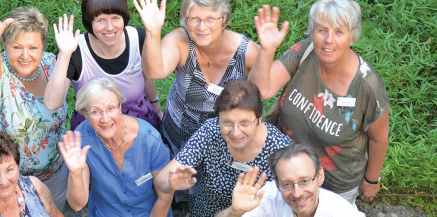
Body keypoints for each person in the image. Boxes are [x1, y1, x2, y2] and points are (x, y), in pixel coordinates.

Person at [249, 0, 389, 203]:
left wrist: (372, 180)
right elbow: (260, 91)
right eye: (322, 30)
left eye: (339, 32)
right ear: (312, 31)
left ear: (352, 37)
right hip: (289, 175)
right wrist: (267, 49)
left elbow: (379, 139)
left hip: (335, 187)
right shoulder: (304, 53)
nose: (328, 40)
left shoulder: (367, 87)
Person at [0, 0, 69, 210]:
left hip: (55, 175)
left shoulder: (52, 64)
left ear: (43, 46)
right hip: (5, 183)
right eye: (17, 47)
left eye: (33, 47)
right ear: (5, 46)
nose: (25, 56)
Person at [134, 0, 261, 156]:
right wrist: (153, 32)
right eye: (194, 19)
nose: (202, 27)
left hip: (223, 138)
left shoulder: (247, 53)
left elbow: (262, 95)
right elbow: (154, 72)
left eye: (210, 19)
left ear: (225, 21)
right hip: (177, 133)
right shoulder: (180, 40)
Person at [154, 79, 291, 217]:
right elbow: (161, 180)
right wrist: (169, 183)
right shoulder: (210, 131)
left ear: (259, 118)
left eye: (244, 123)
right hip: (206, 212)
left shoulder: (280, 150)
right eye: (227, 122)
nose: (235, 132)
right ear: (218, 117)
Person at [58, 77, 173, 216]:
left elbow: (165, 195)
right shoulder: (81, 141)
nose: (105, 119)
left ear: (120, 107)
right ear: (85, 115)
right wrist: (75, 174)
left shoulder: (149, 139)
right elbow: (77, 205)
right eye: (95, 111)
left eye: (111, 108)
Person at [45, 0, 162, 131]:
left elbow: (147, 77)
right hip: (93, 131)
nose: (110, 27)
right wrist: (64, 54)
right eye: (101, 20)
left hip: (140, 126)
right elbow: (52, 103)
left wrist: (156, 107)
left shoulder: (139, 38)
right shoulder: (75, 50)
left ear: (124, 18)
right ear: (90, 22)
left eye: (115, 18)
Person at [216, 144, 365, 217]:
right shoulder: (268, 195)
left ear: (319, 176)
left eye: (304, 181)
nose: (297, 193)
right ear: (277, 184)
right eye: (287, 184)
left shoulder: (342, 212)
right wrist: (233, 212)